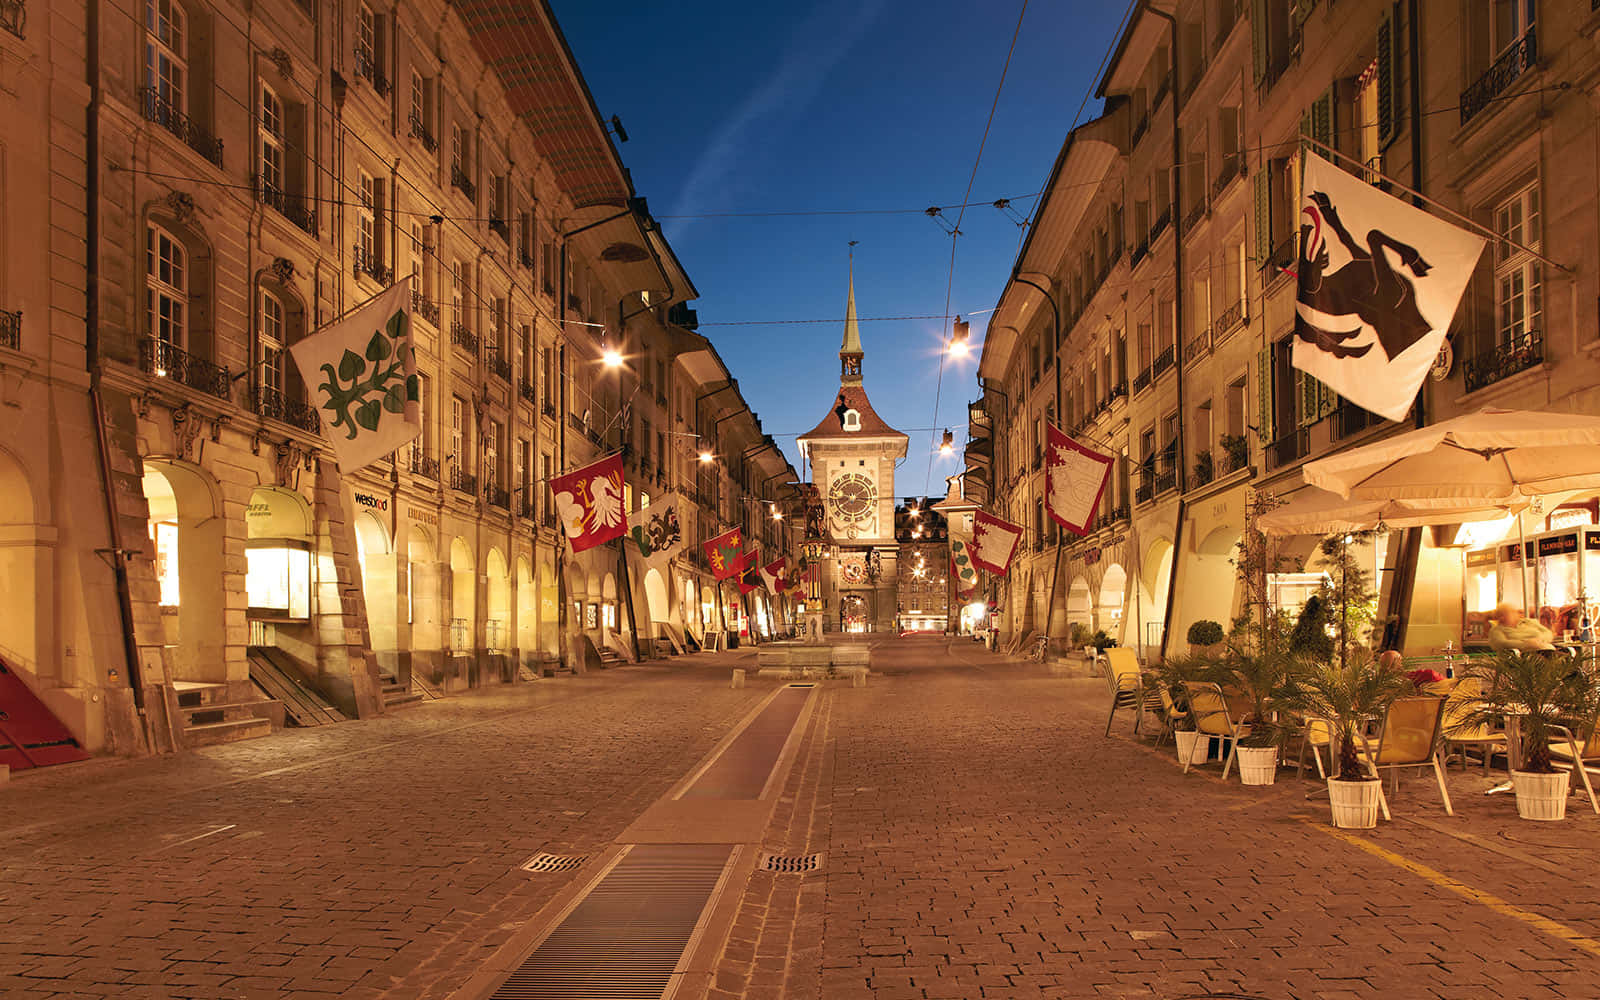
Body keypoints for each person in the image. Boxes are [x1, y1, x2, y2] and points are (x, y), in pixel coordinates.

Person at [1487, 602, 1555, 652]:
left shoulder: (1529, 622)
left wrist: (1540, 640)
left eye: (1515, 611)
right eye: (1511, 612)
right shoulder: (1497, 631)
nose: (1516, 613)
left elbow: (1548, 632)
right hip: (1523, 658)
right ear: (1501, 617)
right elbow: (1502, 643)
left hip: (1545, 648)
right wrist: (1527, 644)